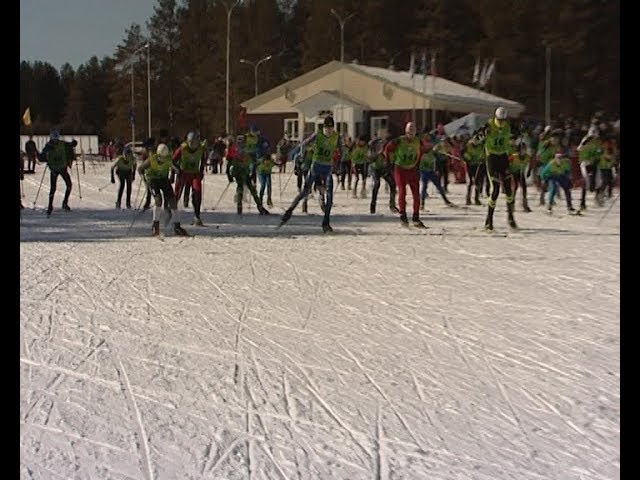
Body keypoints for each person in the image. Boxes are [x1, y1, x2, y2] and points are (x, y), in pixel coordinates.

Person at [279, 115, 345, 232]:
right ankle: (289, 211)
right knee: (305, 191)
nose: (328, 131)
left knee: (330, 194)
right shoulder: (318, 135)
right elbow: (303, 144)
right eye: (326, 128)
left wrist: (339, 164)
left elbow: (342, 151)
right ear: (323, 128)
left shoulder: (336, 137)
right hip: (316, 166)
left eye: (330, 129)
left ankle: (326, 222)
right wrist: (300, 156)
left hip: (328, 167)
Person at [476, 106, 517, 231]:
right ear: (495, 118)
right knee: (495, 190)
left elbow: (510, 141)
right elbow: (476, 139)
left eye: (503, 120)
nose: (501, 123)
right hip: (492, 158)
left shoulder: (507, 127)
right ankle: (489, 220)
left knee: (509, 189)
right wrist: (481, 135)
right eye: (499, 120)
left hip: (503, 158)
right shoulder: (488, 125)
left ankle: (510, 217)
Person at [137, 143, 189, 236]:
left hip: (163, 179)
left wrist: (179, 174)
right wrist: (144, 179)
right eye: (161, 157)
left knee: (172, 200)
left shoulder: (168, 160)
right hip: (152, 180)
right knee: (158, 200)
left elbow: (177, 169)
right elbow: (140, 169)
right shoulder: (151, 160)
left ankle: (177, 226)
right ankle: (155, 225)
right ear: (158, 155)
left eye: (165, 157)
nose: (163, 160)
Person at [383, 122, 426, 227]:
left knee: (416, 194)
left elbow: (421, 152)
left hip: (412, 169)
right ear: (406, 130)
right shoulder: (399, 141)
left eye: (413, 128)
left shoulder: (418, 141)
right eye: (409, 128)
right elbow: (387, 149)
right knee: (402, 192)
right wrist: (389, 164)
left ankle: (416, 217)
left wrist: (417, 164)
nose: (411, 130)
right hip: (400, 169)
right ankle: (403, 215)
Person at [225, 134, 270, 216]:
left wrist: (253, 172)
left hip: (244, 172)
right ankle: (242, 206)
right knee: (242, 188)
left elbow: (253, 161)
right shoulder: (235, 150)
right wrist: (229, 174)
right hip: (238, 172)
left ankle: (258, 206)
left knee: (249, 189)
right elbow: (229, 162)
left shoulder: (246, 150)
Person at [39, 129, 77, 216]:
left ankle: (65, 203)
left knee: (69, 185)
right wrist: (44, 155)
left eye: (56, 139)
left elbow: (70, 145)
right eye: (54, 139)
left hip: (63, 167)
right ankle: (50, 206)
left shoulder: (62, 143)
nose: (55, 141)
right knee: (53, 188)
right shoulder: (48, 146)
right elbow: (41, 156)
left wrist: (73, 143)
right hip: (54, 169)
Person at [172, 131, 206, 225]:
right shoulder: (182, 148)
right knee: (177, 194)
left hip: (194, 173)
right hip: (183, 173)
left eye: (194, 142)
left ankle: (197, 216)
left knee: (197, 192)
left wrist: (201, 171)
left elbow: (203, 160)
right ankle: (172, 214)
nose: (192, 145)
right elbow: (172, 161)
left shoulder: (201, 149)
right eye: (190, 142)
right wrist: (177, 170)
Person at [418, 136, 453, 209]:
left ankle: (446, 200)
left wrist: (437, 169)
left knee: (439, 186)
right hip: (424, 171)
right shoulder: (421, 153)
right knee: (424, 186)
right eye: (427, 145)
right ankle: (422, 203)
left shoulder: (433, 152)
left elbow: (438, 161)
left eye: (430, 145)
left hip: (431, 171)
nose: (429, 146)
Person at [368, 132, 398, 214]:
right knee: (376, 184)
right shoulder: (376, 145)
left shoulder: (393, 148)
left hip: (384, 169)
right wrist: (378, 153)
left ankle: (392, 205)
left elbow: (393, 160)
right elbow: (370, 159)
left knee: (392, 184)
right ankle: (373, 206)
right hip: (375, 168)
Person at [507, 139, 532, 212]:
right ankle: (511, 205)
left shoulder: (527, 157)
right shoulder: (514, 156)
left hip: (521, 173)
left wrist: (529, 171)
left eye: (524, 149)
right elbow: (507, 162)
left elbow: (531, 164)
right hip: (513, 173)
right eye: (521, 150)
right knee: (514, 188)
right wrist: (507, 170)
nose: (523, 151)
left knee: (524, 188)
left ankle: (525, 204)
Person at [110, 144, 136, 209]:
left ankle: (128, 203)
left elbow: (134, 166)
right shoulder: (119, 159)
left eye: (129, 155)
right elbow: (112, 168)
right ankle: (118, 202)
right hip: (120, 172)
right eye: (127, 155)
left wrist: (133, 175)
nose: (127, 159)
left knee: (129, 186)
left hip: (128, 172)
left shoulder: (132, 159)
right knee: (122, 185)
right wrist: (112, 178)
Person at [462, 136, 485, 205]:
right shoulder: (468, 145)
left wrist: (483, 159)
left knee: (478, 183)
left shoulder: (481, 146)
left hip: (478, 166)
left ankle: (476, 199)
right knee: (470, 183)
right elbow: (463, 153)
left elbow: (484, 154)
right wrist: (467, 158)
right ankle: (468, 198)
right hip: (470, 166)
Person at [256, 139, 276, 207]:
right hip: (261, 173)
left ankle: (269, 199)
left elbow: (274, 163)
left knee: (269, 185)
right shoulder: (261, 159)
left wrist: (279, 164)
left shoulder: (270, 161)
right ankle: (260, 200)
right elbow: (256, 163)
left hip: (267, 173)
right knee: (263, 185)